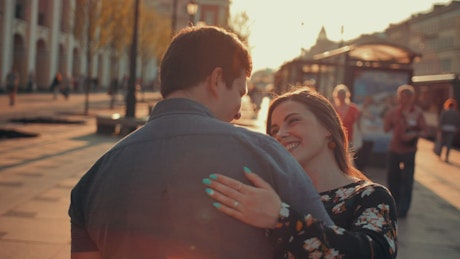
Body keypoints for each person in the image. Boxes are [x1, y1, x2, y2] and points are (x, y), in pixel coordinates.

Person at [68, 26, 332, 259]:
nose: (240, 112)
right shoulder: (265, 154)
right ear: (216, 80)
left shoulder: (94, 179)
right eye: (240, 92)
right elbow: (332, 247)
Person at [203, 87, 398, 258]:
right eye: (274, 129)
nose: (280, 134)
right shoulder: (271, 195)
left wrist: (281, 218)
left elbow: (376, 253)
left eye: (293, 121)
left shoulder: (370, 196)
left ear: (328, 128)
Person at [383, 84, 427, 218]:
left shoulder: (418, 113)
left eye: (407, 97)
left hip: (409, 150)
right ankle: (393, 205)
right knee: (393, 178)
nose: (403, 100)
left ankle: (403, 209)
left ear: (412, 98)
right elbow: (386, 129)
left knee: (407, 181)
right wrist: (387, 119)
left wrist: (413, 134)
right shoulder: (393, 112)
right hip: (394, 149)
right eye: (401, 97)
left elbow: (425, 131)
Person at [436, 98, 460, 162]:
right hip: (452, 130)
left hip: (444, 129)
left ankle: (439, 154)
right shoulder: (456, 113)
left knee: (441, 142)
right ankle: (446, 157)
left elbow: (440, 121)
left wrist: (439, 129)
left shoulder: (445, 112)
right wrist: (457, 129)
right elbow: (458, 122)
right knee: (449, 144)